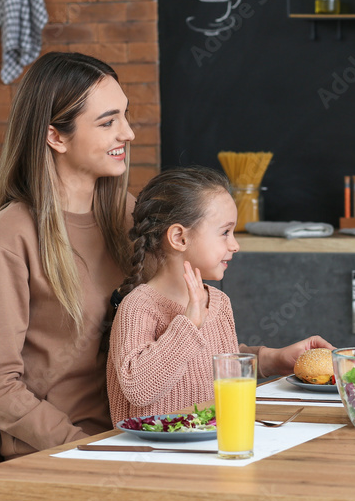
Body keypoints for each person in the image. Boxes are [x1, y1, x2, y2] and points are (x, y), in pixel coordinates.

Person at [0, 51, 136, 460]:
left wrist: (267, 359)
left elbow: (174, 331)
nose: (127, 133)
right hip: (61, 458)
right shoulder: (10, 236)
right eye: (108, 121)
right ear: (55, 136)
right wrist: (81, 446)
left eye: (126, 116)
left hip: (137, 442)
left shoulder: (130, 217)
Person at [107, 166, 334, 422]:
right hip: (152, 454)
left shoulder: (219, 302)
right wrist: (189, 324)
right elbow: (139, 389)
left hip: (212, 444)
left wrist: (278, 359)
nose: (235, 245)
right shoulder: (139, 306)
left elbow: (221, 372)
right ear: (180, 237)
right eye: (225, 232)